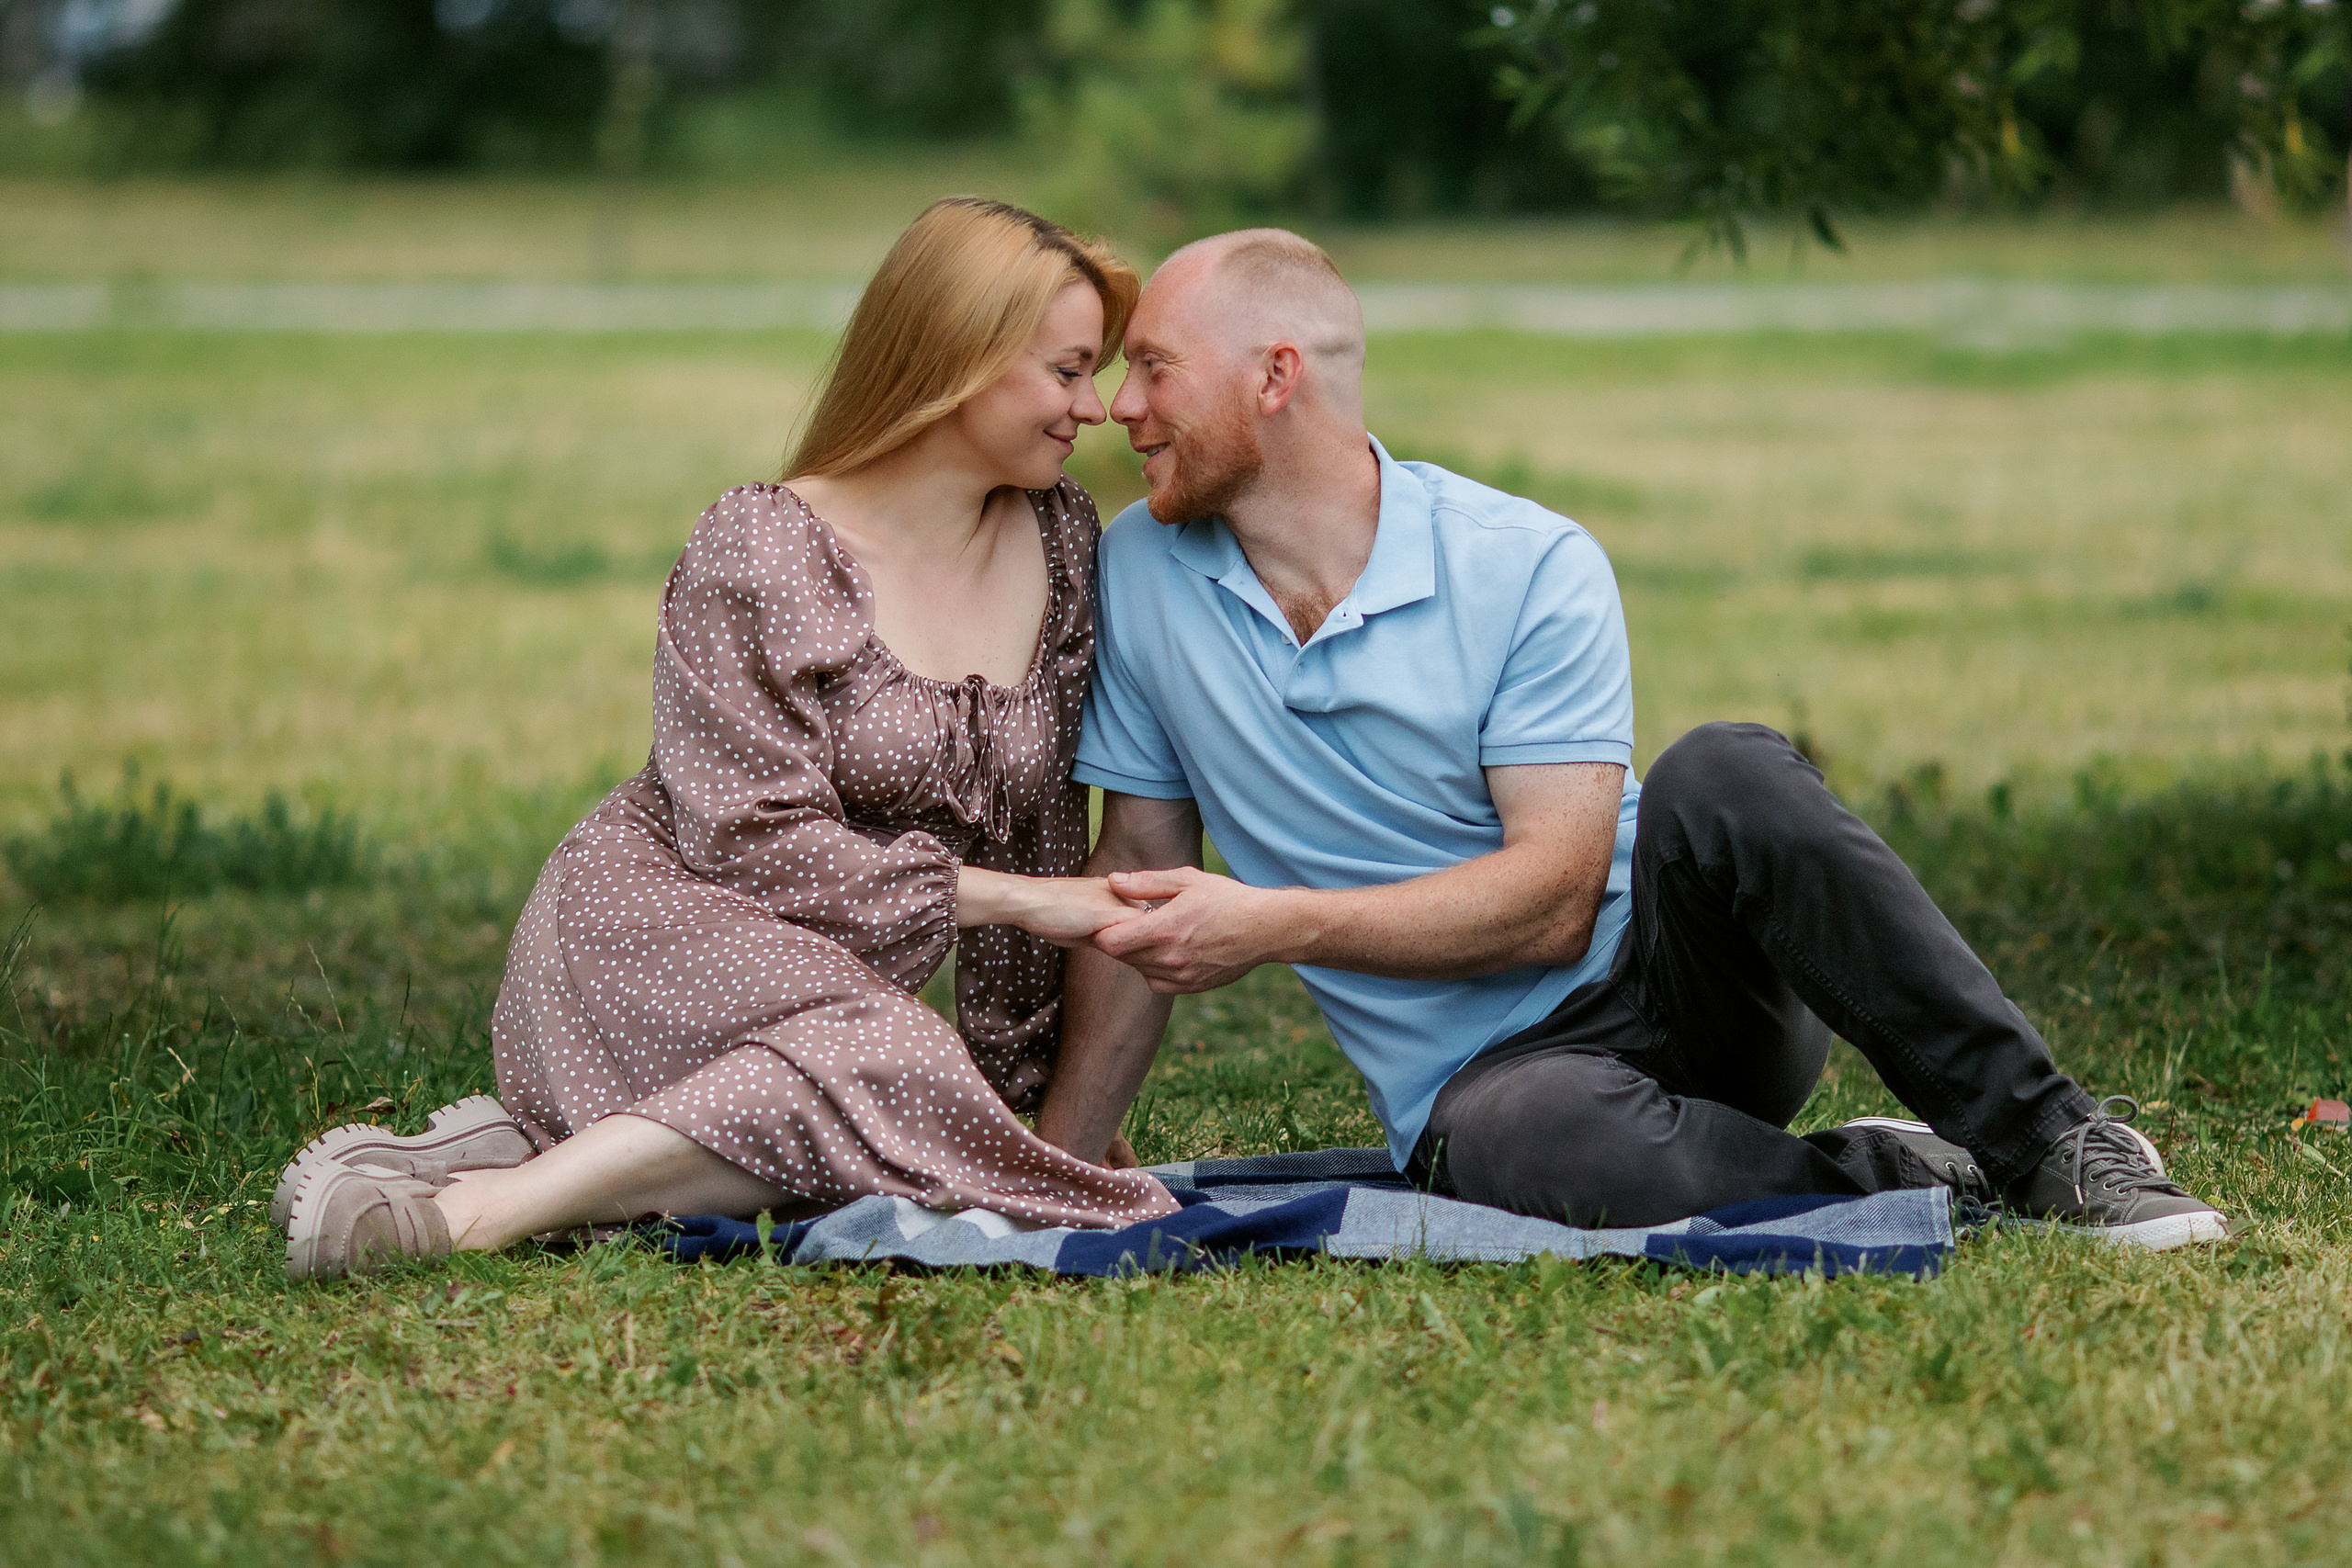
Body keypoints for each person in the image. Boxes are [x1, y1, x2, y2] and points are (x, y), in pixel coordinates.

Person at [1035, 228, 2228, 1251]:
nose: (1119, 406)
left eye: (1153, 368)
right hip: (1494, 1086)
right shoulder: (1141, 569)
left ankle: (2048, 1139)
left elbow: (1554, 899)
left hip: (1680, 984)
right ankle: (1899, 1172)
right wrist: (1052, 1177)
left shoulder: (1523, 560)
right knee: (1523, 1137)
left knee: (1725, 765)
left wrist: (1273, 921)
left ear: (1274, 376)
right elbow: (1132, 876)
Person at [278, 197, 1181, 1280]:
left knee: (899, 1077)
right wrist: (1017, 906)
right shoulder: (765, 547)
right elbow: (751, 844)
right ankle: (473, 1218)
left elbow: (1035, 829)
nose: (1094, 406)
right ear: (961, 361)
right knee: (894, 1063)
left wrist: (1023, 1106)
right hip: (656, 929)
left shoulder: (1062, 535)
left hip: (830, 993)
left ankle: (537, 1151)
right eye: (1068, 371)